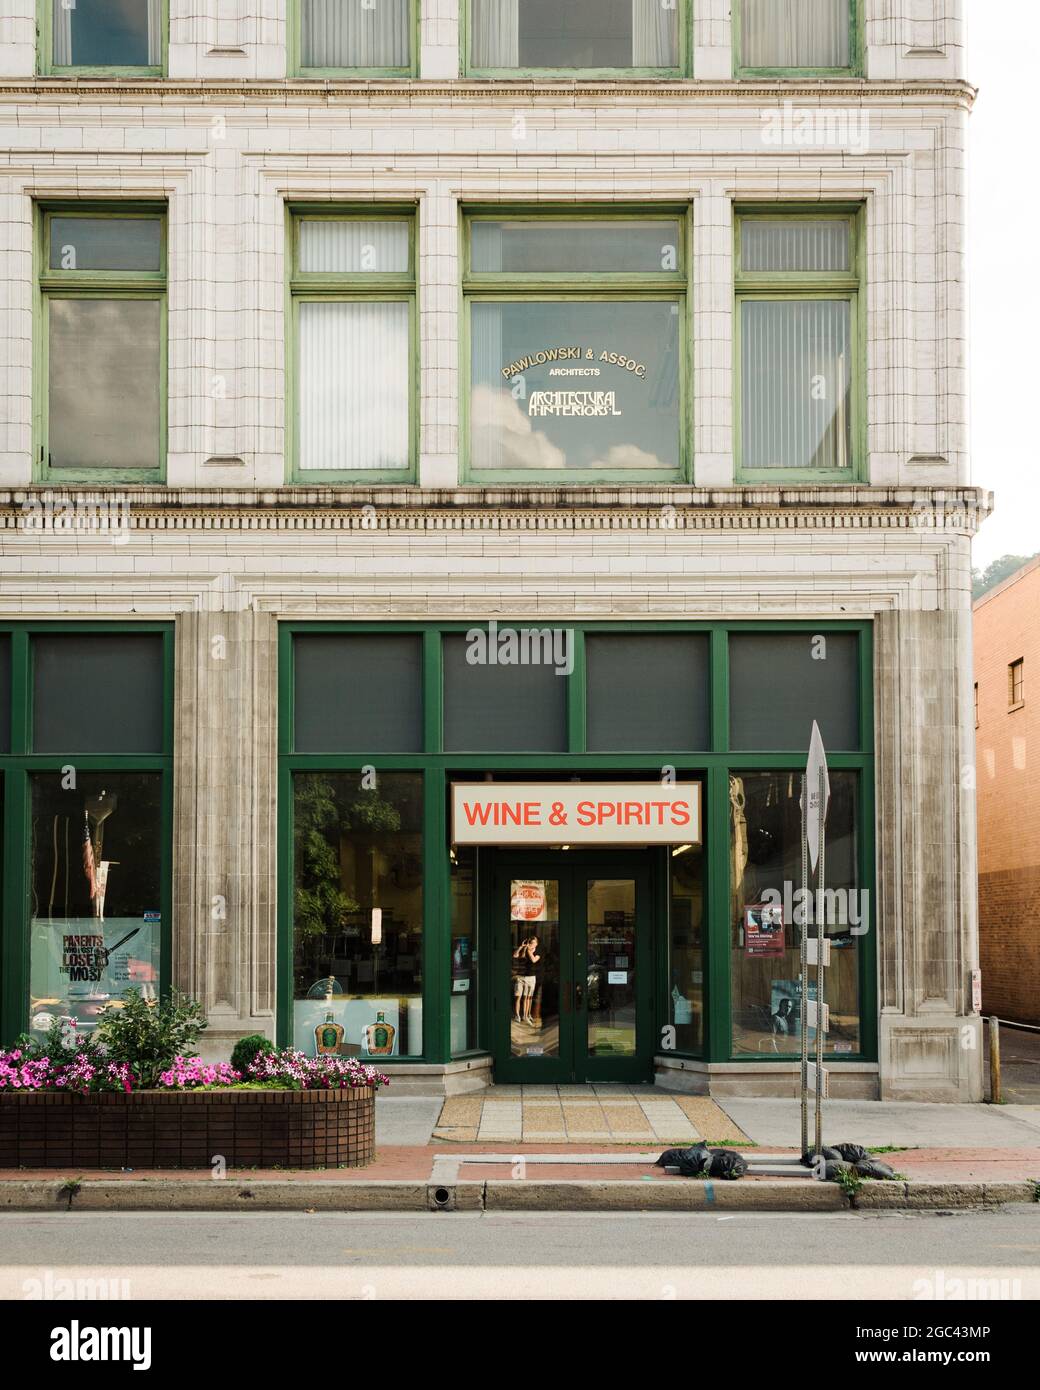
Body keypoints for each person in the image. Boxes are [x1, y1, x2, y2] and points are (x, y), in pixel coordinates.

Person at [512, 935, 541, 1025]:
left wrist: (528, 950)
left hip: (531, 977)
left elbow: (533, 960)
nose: (531, 944)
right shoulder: (524, 950)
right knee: (518, 997)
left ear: (536, 944)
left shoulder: (537, 952)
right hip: (520, 977)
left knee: (528, 998)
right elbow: (515, 955)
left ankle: (526, 1015)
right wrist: (521, 947)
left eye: (533, 943)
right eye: (530, 942)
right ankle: (518, 1016)